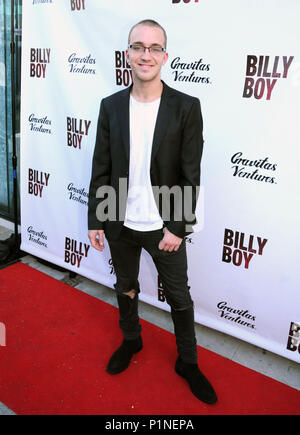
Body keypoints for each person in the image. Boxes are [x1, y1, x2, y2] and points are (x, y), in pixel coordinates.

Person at [88, 19, 217, 405]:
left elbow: (190, 174)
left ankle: (188, 362)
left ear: (165, 55)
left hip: (165, 227)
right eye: (138, 46)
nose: (146, 54)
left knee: (180, 298)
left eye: (155, 47)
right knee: (125, 287)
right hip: (120, 222)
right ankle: (132, 340)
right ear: (128, 53)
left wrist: (177, 227)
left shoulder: (186, 107)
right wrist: (97, 218)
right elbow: (102, 167)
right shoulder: (110, 106)